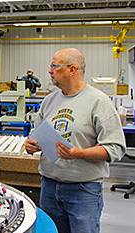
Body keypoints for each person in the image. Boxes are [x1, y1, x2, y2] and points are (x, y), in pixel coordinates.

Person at [25, 48, 125, 233]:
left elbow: (115, 148)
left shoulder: (98, 102)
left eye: (55, 66)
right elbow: (36, 134)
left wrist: (80, 154)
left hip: (83, 190)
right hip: (49, 186)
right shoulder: (49, 101)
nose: (50, 71)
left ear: (72, 70)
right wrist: (31, 145)